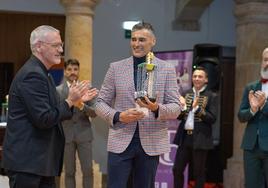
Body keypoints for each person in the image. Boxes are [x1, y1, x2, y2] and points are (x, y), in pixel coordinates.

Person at [2, 25, 95, 188]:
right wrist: (70, 101)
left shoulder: (42, 73)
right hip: (29, 165)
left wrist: (75, 100)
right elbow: (44, 118)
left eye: (61, 45)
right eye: (55, 45)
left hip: (39, 164)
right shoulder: (33, 75)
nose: (60, 50)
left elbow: (51, 110)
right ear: (38, 46)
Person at [95, 22, 181, 188]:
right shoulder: (116, 68)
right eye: (133, 39)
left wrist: (156, 109)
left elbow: (176, 107)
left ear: (153, 41)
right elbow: (100, 102)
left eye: (142, 39)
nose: (136, 44)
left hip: (151, 142)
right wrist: (118, 116)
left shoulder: (166, 69)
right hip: (120, 140)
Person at [173, 66, 218, 188]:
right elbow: (179, 117)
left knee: (198, 172)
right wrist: (182, 108)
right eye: (195, 76)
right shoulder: (185, 93)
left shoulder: (211, 95)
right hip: (184, 137)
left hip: (201, 139)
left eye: (200, 76)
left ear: (206, 80)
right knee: (177, 170)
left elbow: (212, 118)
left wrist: (197, 108)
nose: (197, 79)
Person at [56, 59, 98, 188]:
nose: (72, 72)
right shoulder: (57, 91)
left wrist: (81, 105)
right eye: (69, 69)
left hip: (84, 134)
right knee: (69, 172)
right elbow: (56, 113)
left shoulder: (87, 89)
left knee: (88, 171)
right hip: (66, 135)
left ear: (79, 71)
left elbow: (94, 113)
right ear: (64, 72)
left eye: (75, 69)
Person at [238, 47, 268, 188]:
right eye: (265, 60)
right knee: (251, 185)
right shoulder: (251, 87)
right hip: (251, 147)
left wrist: (263, 106)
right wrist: (253, 109)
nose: (267, 63)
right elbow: (241, 116)